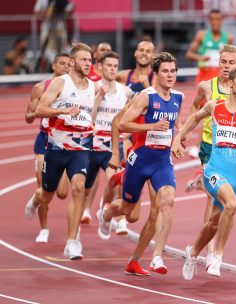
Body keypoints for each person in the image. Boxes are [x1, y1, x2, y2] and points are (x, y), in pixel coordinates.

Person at [172, 67, 236, 279]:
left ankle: (193, 252)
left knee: (214, 221)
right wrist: (179, 138)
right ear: (231, 84)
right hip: (214, 170)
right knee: (232, 205)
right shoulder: (216, 105)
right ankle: (217, 256)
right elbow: (195, 117)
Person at [98, 52, 184, 275]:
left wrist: (178, 139)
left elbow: (176, 121)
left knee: (166, 203)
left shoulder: (178, 97)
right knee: (129, 211)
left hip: (162, 162)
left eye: (173, 71)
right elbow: (121, 124)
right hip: (140, 158)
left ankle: (152, 258)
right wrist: (150, 127)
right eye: (165, 71)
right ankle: (107, 213)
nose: (170, 75)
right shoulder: (145, 97)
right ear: (156, 74)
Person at [185, 44, 236, 262]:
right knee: (212, 199)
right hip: (210, 146)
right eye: (224, 62)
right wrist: (188, 132)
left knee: (221, 204)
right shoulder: (207, 86)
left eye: (232, 63)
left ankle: (201, 182)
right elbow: (194, 108)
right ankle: (210, 250)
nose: (227, 66)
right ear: (218, 63)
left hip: (233, 152)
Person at [25, 42, 96, 260]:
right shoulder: (59, 83)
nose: (88, 63)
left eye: (90, 60)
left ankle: (72, 242)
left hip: (80, 148)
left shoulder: (92, 86)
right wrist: (64, 110)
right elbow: (39, 110)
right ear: (73, 62)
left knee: (77, 187)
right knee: (47, 194)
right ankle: (36, 200)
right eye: (84, 59)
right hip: (56, 148)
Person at [83, 51, 133, 234]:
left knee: (116, 181)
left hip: (113, 147)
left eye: (115, 66)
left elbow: (131, 117)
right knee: (85, 188)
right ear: (100, 67)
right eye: (109, 65)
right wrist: (98, 98)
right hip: (92, 146)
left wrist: (125, 135)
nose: (112, 69)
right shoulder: (93, 88)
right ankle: (86, 210)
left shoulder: (125, 91)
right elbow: (88, 117)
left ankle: (112, 217)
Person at [24, 53, 71, 243]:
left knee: (61, 193)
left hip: (65, 141)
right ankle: (44, 229)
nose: (65, 68)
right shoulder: (40, 88)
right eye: (62, 64)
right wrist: (36, 111)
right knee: (42, 186)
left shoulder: (75, 88)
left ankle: (36, 199)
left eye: (69, 64)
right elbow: (28, 116)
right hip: (44, 141)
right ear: (53, 66)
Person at [185, 9, 234, 84]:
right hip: (205, 75)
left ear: (222, 21)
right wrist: (201, 58)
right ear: (209, 21)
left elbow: (233, 58)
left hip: (221, 76)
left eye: (218, 20)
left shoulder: (228, 38)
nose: (215, 22)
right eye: (212, 20)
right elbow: (188, 54)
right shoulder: (201, 35)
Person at [34, 0, 75, 73]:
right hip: (48, 29)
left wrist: (66, 9)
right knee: (47, 52)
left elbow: (68, 12)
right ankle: (43, 72)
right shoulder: (43, 1)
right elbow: (37, 12)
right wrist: (49, 10)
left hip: (60, 28)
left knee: (63, 51)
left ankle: (63, 71)